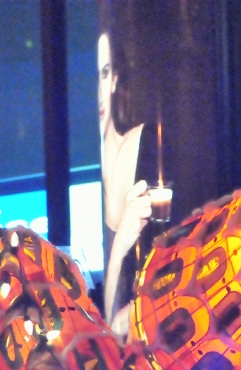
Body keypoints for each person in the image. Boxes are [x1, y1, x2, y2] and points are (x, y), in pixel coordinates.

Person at [97, 28, 151, 325]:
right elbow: (105, 327)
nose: (97, 93)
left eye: (103, 74)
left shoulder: (144, 144)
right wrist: (118, 250)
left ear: (115, 79)